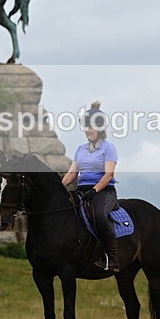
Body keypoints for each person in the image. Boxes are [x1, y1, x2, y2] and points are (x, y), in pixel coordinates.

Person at [61, 101, 120, 272]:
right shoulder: (80, 149)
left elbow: (109, 174)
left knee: (100, 216)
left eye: (91, 127)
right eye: (86, 127)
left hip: (104, 191)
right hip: (82, 189)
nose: (88, 130)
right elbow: (72, 174)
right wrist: (59, 188)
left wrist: (94, 191)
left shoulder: (109, 148)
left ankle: (113, 258)